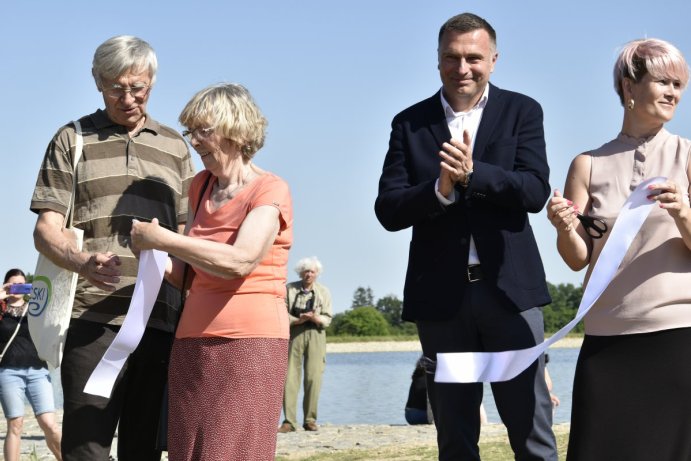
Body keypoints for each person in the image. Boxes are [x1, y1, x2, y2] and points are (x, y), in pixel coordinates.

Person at [375, 12, 557, 460]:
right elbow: (389, 209)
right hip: (443, 305)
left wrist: (474, 175)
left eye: (473, 58)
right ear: (437, 61)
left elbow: (534, 190)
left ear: (493, 59)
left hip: (510, 298)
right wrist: (438, 191)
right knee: (454, 436)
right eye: (451, 58)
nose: (463, 68)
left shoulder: (522, 111)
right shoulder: (409, 123)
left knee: (530, 430)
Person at [30, 35, 195, 460]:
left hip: (160, 320)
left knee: (144, 451)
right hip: (90, 320)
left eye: (137, 87)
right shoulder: (72, 139)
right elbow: (46, 229)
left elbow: (187, 234)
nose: (127, 98)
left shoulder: (177, 147)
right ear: (97, 82)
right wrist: (81, 261)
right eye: (114, 87)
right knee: (86, 450)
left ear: (152, 83)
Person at [130, 82, 293, 460]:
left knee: (231, 451)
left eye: (204, 131)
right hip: (192, 341)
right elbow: (188, 273)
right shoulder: (200, 187)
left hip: (250, 342)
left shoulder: (270, 190)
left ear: (236, 129)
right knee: (189, 451)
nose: (195, 141)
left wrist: (165, 239)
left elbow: (240, 261)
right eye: (191, 131)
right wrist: (149, 250)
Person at [546, 38, 691, 461]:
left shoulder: (687, 156)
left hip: (677, 339)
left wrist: (684, 211)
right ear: (629, 87)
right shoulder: (586, 164)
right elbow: (577, 259)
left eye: (679, 85)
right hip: (607, 342)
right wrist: (564, 227)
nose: (673, 93)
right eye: (662, 81)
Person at [0, 269, 62, 461]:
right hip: (8, 371)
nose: (16, 288)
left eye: (21, 284)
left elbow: (56, 315)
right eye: (12, 284)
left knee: (49, 424)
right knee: (15, 424)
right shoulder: (1, 310)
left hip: (38, 370)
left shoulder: (36, 308)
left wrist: (39, 293)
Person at [279, 256, 333, 433]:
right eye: (306, 271)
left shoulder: (324, 292)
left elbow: (328, 317)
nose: (308, 274)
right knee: (290, 376)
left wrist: (316, 318)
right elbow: (281, 312)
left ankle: (310, 420)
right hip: (294, 332)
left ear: (317, 274)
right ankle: (289, 421)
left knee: (314, 377)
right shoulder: (289, 289)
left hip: (316, 333)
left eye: (312, 271)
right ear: (300, 273)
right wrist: (297, 320)